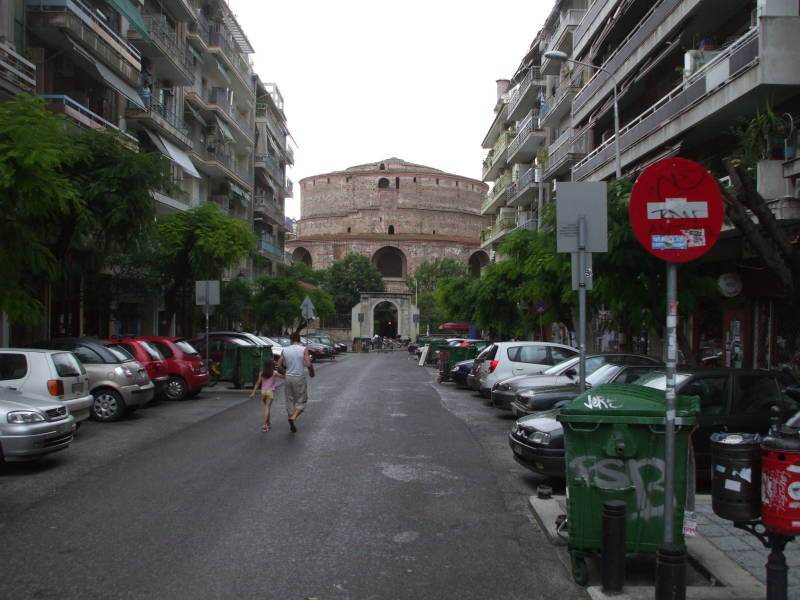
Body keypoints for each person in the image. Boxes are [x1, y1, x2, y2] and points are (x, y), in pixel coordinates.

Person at [276, 332, 315, 432]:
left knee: (290, 400)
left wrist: (285, 373)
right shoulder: (303, 349)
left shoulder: (285, 350)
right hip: (299, 378)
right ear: (299, 339)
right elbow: (309, 364)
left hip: (288, 378)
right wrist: (312, 373)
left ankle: (291, 418)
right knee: (301, 400)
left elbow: (278, 365)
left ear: (290, 340)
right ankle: (293, 418)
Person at [249, 358, 284, 432]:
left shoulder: (261, 373)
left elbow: (257, 383)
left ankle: (268, 423)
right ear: (272, 365)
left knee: (266, 408)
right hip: (270, 392)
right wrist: (280, 369)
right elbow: (284, 377)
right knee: (267, 408)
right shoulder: (274, 372)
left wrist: (253, 392)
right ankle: (264, 425)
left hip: (263, 391)